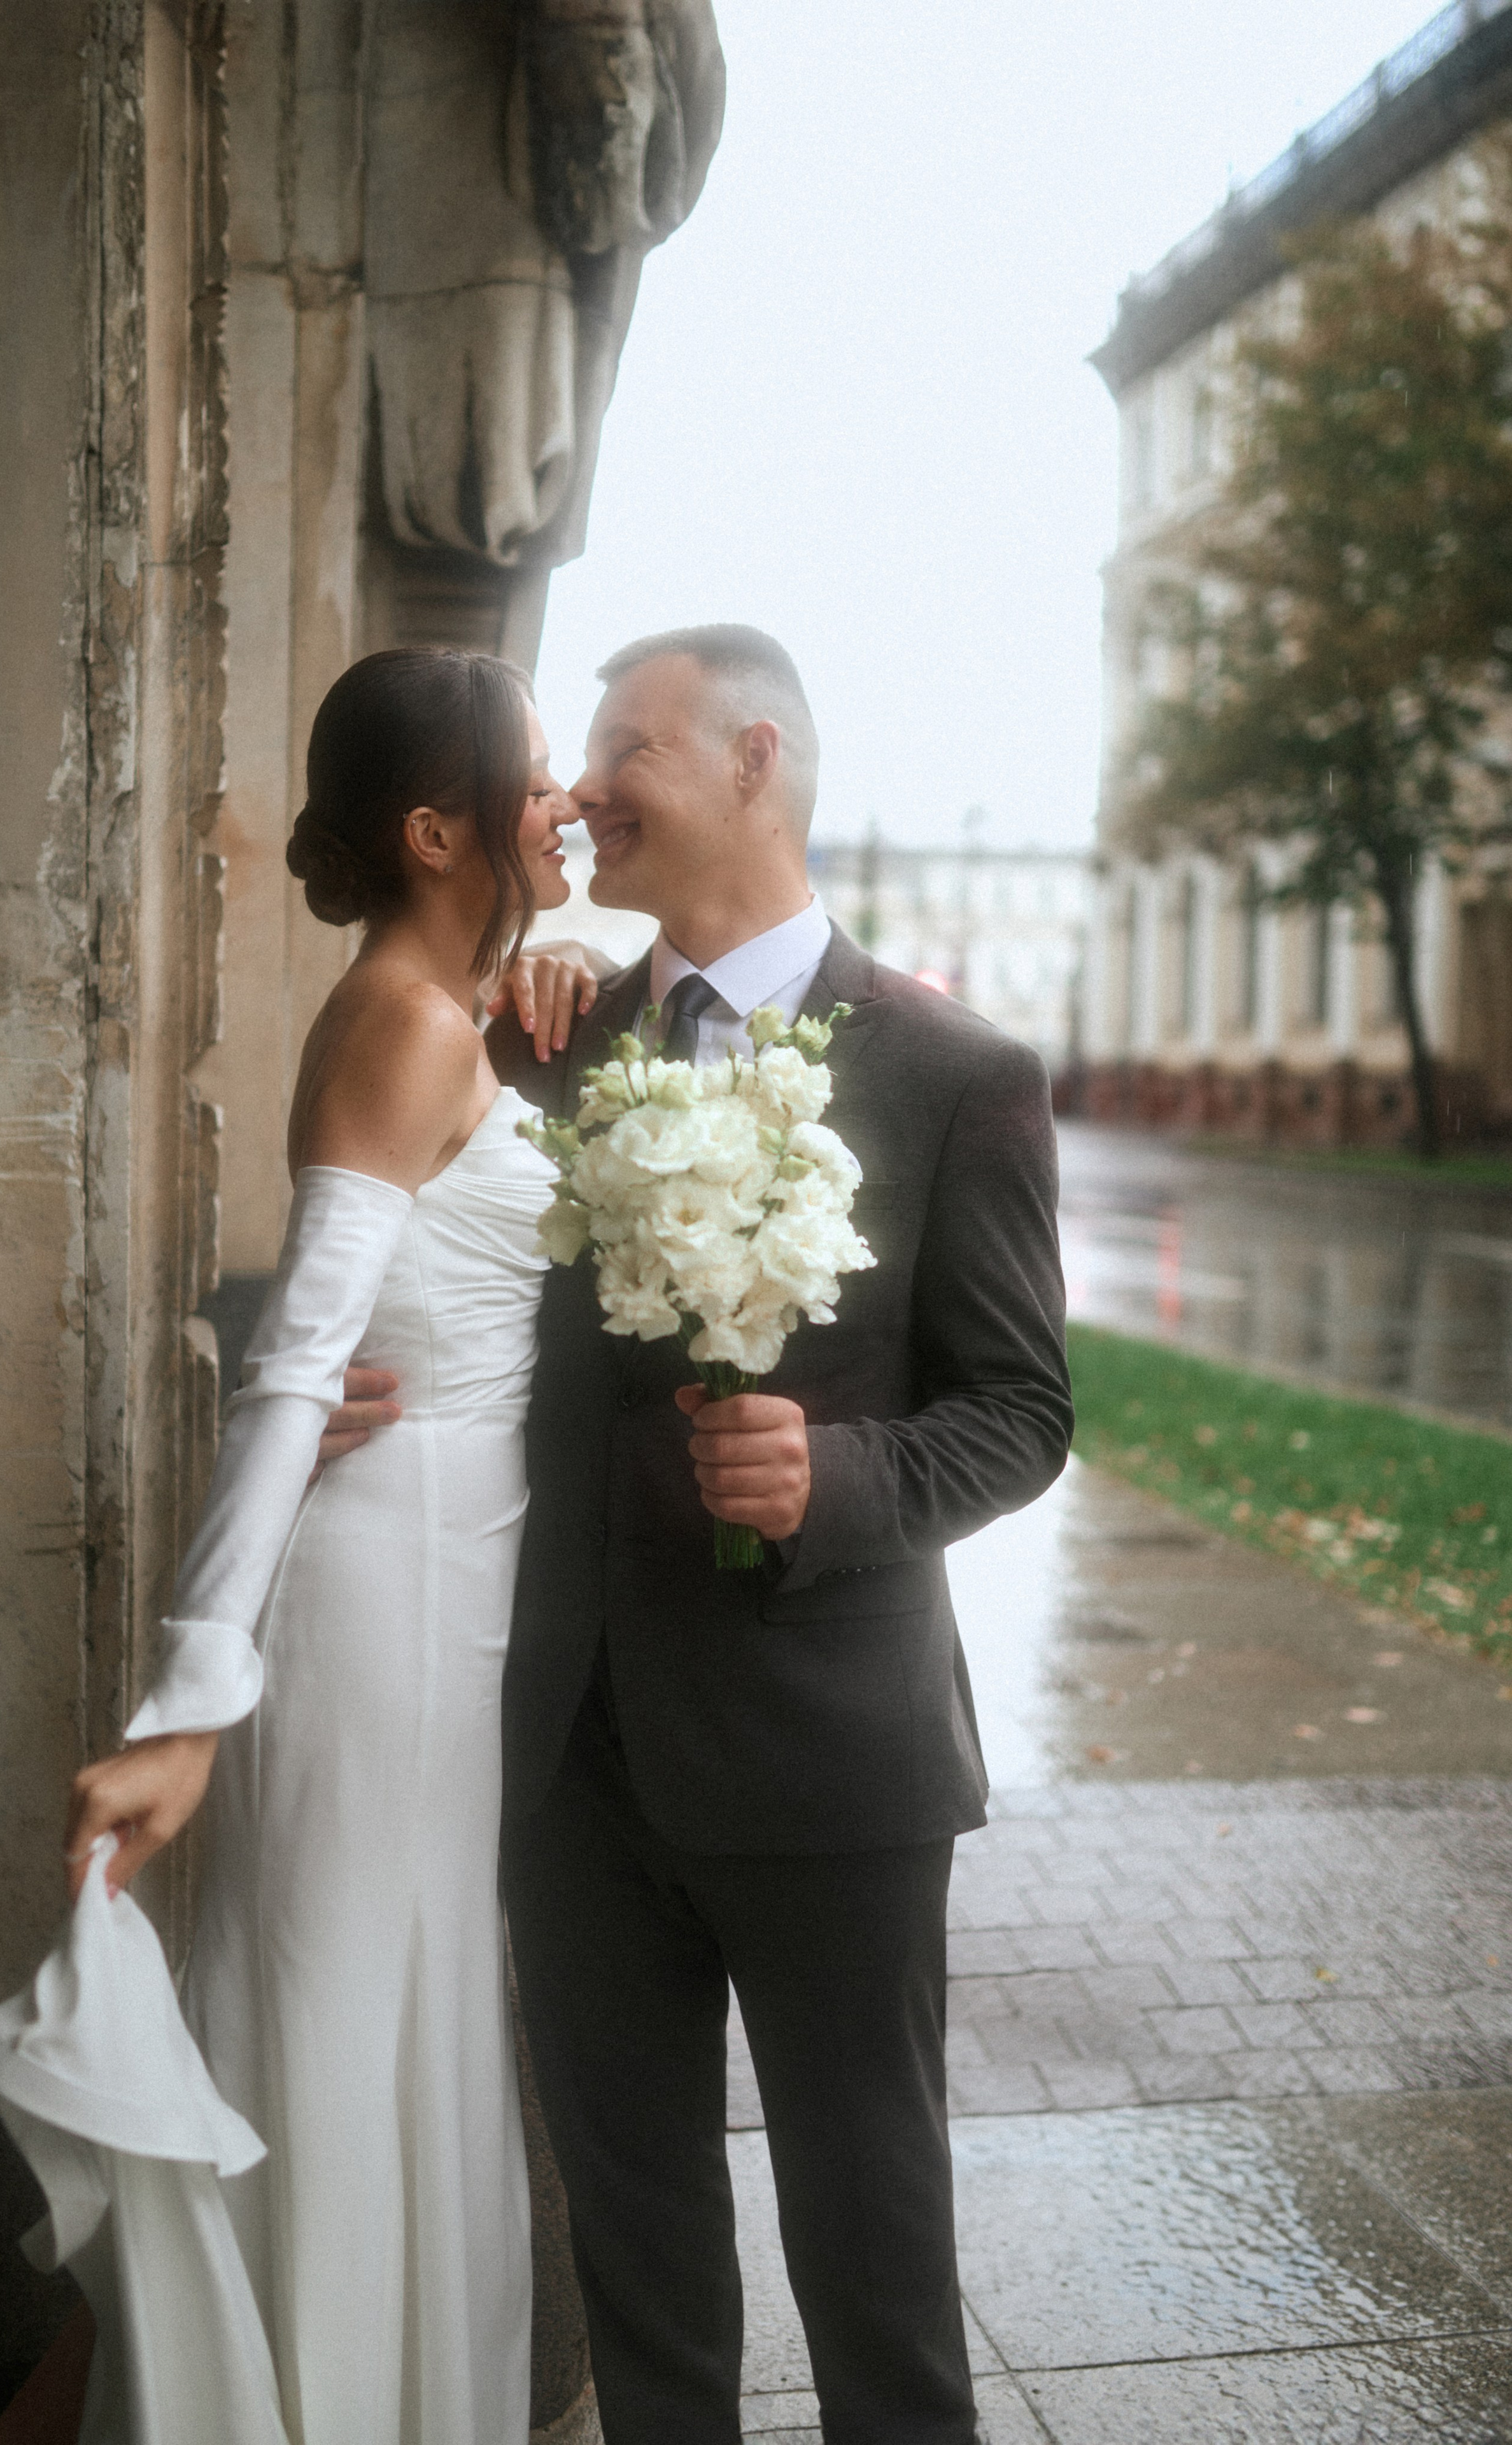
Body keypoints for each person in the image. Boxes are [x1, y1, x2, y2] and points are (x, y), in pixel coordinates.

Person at [332, 625, 1073, 2444]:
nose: (583, 789)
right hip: (577, 1756)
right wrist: (345, 1371)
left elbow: (1024, 1413)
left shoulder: (956, 1071)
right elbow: (422, 1253)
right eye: (579, 753)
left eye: (625, 746)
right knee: (642, 2272)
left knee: (877, 2269)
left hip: (834, 1771)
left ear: (755, 761)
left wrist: (846, 1486)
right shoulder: (543, 1035)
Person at [4, 645, 577, 2445]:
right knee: (334, 2029)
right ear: (435, 827)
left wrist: (558, 964)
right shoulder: (406, 1023)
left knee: (393, 2019)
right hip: (385, 1596)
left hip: (449, 1580)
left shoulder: (450, 1006)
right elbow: (292, 1374)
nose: (563, 804)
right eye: (539, 774)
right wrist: (192, 1699)